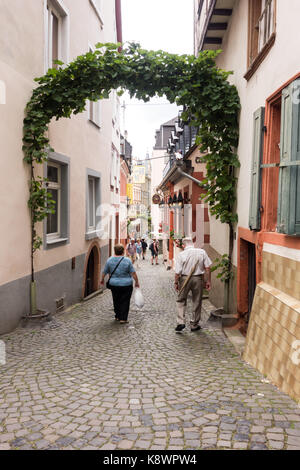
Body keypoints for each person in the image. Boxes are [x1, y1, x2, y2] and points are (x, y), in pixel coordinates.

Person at [174, 237, 212, 333]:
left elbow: (177, 272)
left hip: (184, 279)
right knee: (197, 300)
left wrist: (176, 282)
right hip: (198, 278)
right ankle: (194, 324)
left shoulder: (181, 254)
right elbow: (207, 268)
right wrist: (208, 281)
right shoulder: (201, 252)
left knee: (181, 300)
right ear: (193, 243)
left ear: (183, 245)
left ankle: (181, 322)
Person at [101, 244, 140, 324]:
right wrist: (136, 282)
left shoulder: (109, 260)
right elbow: (133, 273)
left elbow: (104, 272)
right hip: (126, 285)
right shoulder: (127, 260)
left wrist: (102, 280)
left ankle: (118, 316)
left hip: (114, 284)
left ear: (114, 251)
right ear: (123, 251)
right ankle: (123, 318)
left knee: (116, 300)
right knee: (125, 301)